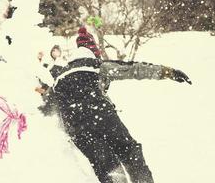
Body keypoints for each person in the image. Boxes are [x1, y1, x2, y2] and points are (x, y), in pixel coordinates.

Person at [36, 46, 192, 183]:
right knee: (129, 151)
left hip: (78, 129)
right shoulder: (95, 65)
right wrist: (167, 72)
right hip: (103, 116)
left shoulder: (58, 80)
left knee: (108, 168)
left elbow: (45, 107)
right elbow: (134, 69)